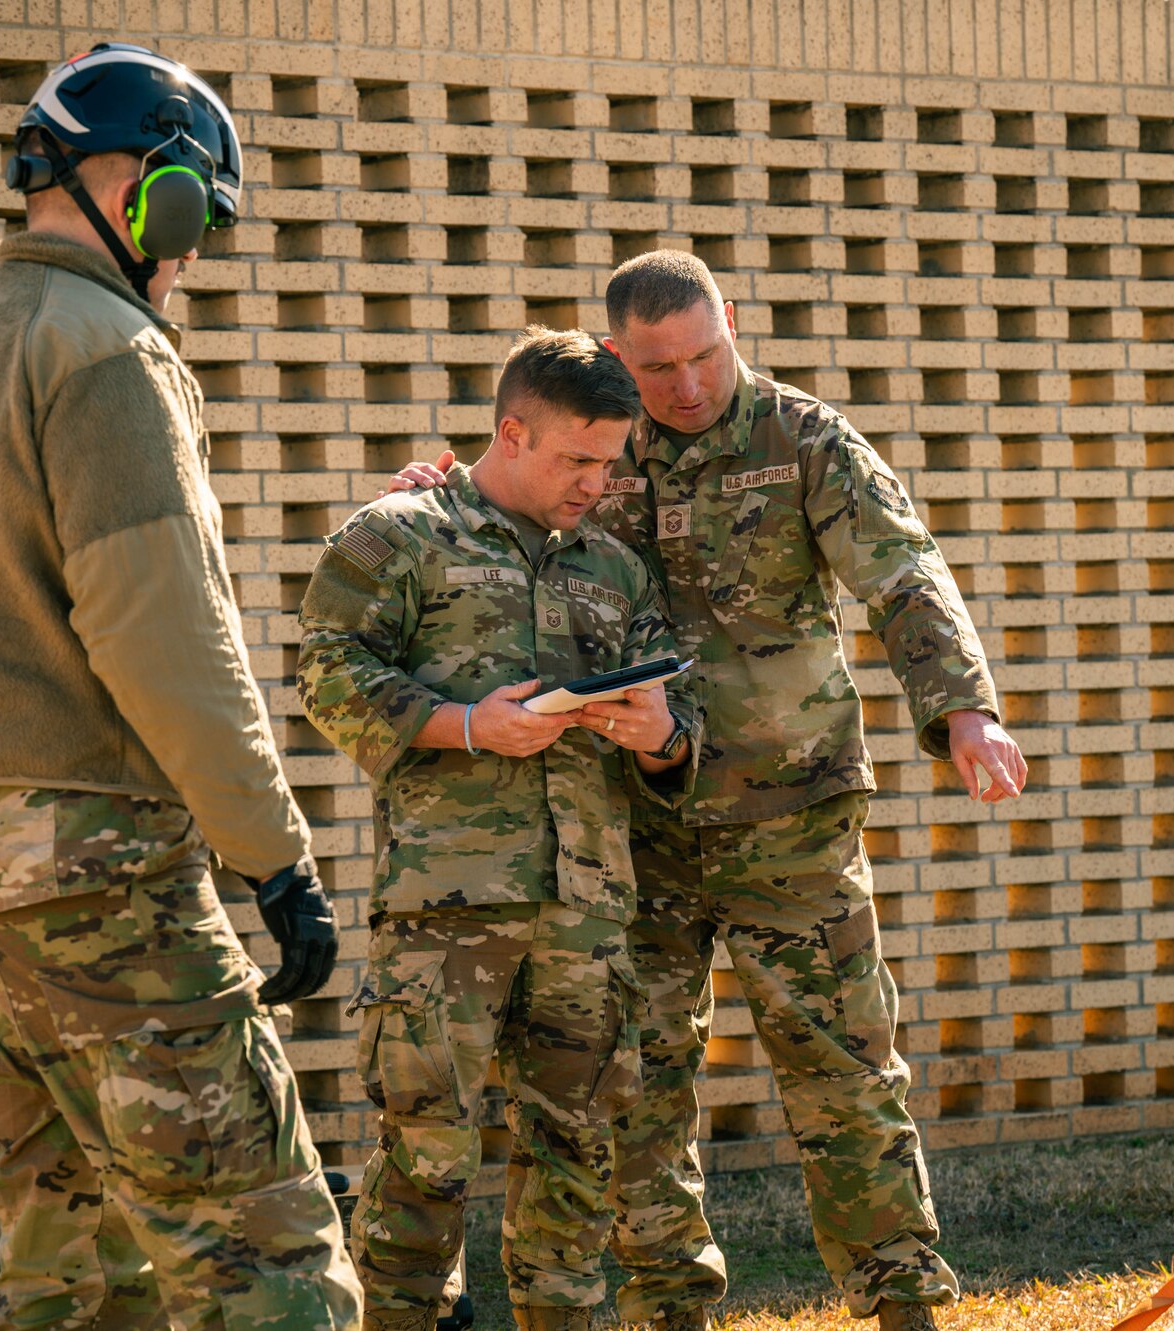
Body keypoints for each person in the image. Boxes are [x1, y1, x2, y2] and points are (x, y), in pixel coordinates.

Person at [391, 251, 1030, 1331]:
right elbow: (500, 506)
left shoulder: (803, 439)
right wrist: (431, 500)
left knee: (844, 1070)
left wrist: (963, 708)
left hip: (790, 815)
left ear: (730, 322)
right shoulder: (591, 443)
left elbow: (902, 572)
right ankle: (668, 1309)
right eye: (655, 367)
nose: (685, 385)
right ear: (612, 358)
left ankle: (904, 1305)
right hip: (635, 825)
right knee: (637, 1086)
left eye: (703, 354)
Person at [0, 43, 360, 1330]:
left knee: (75, 1262)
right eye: (201, 216)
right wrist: (276, 857)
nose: (192, 256)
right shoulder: (107, 351)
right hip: (95, 862)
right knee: (263, 1250)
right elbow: (165, 632)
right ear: (157, 191)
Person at [300, 328, 700, 1331]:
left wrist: (660, 735)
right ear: (510, 431)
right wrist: (470, 724)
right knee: (423, 1160)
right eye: (575, 460)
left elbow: (674, 729)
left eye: (608, 463)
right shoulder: (396, 534)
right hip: (446, 908)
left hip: (584, 911)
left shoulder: (615, 565)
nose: (593, 485)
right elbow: (327, 676)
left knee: (574, 1157)